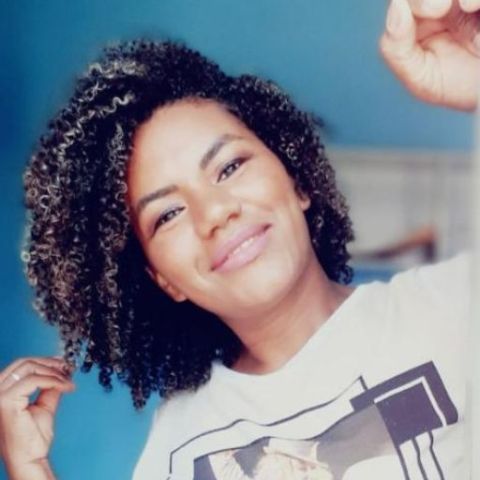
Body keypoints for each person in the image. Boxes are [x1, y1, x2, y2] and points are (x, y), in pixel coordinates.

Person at [0, 0, 478, 479]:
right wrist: (30, 467)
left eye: (229, 167)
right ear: (164, 280)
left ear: (297, 179)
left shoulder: (455, 307)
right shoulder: (180, 447)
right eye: (168, 214)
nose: (214, 213)